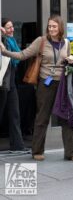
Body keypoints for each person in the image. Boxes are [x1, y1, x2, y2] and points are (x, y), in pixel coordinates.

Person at [0, 15, 73, 161]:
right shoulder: (41, 41)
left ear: (60, 27)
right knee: (42, 117)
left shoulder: (67, 43)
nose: (51, 29)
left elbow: (70, 61)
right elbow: (23, 55)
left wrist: (72, 60)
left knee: (66, 118)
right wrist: (5, 52)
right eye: (49, 26)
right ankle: (37, 151)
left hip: (62, 84)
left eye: (54, 26)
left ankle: (70, 153)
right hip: (46, 83)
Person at [0, 18, 30, 154]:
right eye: (8, 27)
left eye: (12, 27)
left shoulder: (11, 41)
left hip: (11, 82)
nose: (12, 29)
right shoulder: (2, 41)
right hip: (2, 82)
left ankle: (17, 145)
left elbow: (18, 56)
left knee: (15, 114)